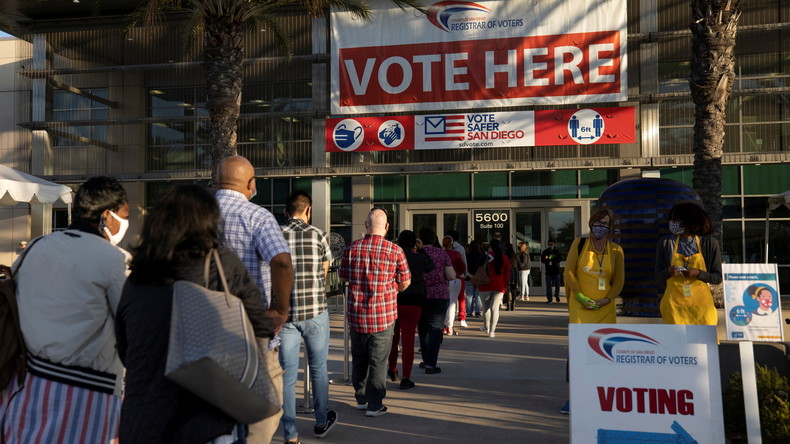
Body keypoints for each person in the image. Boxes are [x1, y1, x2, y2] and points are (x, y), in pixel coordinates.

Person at [116, 184, 273, 443]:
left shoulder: (138, 275)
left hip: (141, 420)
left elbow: (124, 347)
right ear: (209, 219)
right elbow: (260, 325)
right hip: (206, 418)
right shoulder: (221, 264)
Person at [2, 176, 129, 443]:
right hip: (88, 393)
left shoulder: (36, 247)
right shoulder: (115, 260)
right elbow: (130, 322)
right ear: (107, 216)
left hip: (26, 386)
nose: (125, 224)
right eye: (124, 215)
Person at [215, 155, 294, 443]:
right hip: (250, 331)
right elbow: (282, 262)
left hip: (205, 329)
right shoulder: (257, 216)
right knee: (263, 411)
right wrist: (280, 310)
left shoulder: (196, 215)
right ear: (250, 183)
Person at [339, 208, 411, 417]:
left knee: (359, 359)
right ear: (387, 226)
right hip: (383, 315)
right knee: (378, 362)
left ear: (366, 225)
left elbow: (343, 277)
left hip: (357, 315)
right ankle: (375, 404)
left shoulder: (351, 248)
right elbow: (405, 282)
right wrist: (392, 288)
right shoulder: (395, 250)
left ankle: (361, 398)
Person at [279, 191, 337, 442]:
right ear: (308, 210)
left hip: (286, 315)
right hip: (315, 311)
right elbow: (324, 270)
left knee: (287, 376)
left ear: (286, 211)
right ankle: (321, 421)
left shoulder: (277, 234)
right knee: (319, 369)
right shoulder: (318, 234)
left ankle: (290, 434)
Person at [561, 208, 624, 414]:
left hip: (604, 309)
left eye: (605, 224)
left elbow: (619, 281)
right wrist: (579, 296)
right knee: (578, 353)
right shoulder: (579, 244)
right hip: (581, 308)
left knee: (603, 353)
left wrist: (607, 299)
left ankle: (601, 396)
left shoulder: (616, 250)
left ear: (610, 227)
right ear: (591, 224)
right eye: (598, 223)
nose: (601, 227)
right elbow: (569, 272)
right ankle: (574, 397)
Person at [655, 202, 722, 326]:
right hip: (674, 307)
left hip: (702, 309)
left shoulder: (709, 244)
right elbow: (657, 277)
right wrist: (668, 272)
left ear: (690, 221)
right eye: (672, 220)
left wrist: (698, 273)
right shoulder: (665, 244)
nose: (672, 223)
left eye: (676, 220)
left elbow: (717, 278)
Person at [388, 230, 433, 390]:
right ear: (414, 242)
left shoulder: (393, 256)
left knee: (393, 339)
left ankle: (392, 369)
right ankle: (406, 377)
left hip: (394, 300)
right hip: (414, 301)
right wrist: (421, 249)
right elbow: (431, 266)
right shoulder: (419, 257)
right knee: (408, 342)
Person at [417, 227, 455, 374]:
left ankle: (426, 359)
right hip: (439, 295)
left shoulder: (417, 254)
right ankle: (431, 363)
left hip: (421, 294)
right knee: (435, 329)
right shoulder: (442, 253)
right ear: (434, 239)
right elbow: (451, 275)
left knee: (423, 328)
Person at [478, 238, 510, 338]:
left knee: (485, 308)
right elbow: (507, 273)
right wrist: (504, 286)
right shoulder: (504, 257)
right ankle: (492, 331)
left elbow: (476, 267)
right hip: (499, 285)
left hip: (484, 284)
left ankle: (486, 327)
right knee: (495, 309)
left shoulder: (485, 256)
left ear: (490, 246)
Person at [442, 235, 466, 334]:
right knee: (452, 303)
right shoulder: (456, 254)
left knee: (444, 303)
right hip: (455, 279)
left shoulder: (441, 253)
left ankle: (444, 325)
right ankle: (449, 326)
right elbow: (462, 267)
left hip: (443, 280)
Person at [465, 240, 484, 317]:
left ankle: (469, 311)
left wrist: (470, 275)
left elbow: (465, 267)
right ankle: (477, 311)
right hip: (479, 277)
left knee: (469, 295)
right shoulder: (482, 256)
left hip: (468, 277)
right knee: (478, 295)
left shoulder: (467, 256)